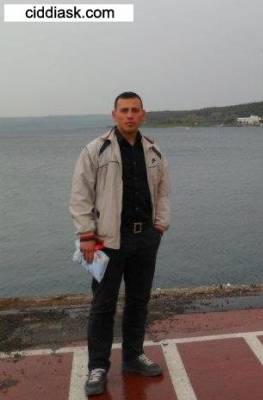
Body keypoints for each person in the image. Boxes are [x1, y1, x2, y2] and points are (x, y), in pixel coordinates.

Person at [69, 91, 170, 396]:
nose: (129, 115)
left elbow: (163, 191)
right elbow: (80, 194)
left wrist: (160, 225)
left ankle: (133, 356)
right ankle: (98, 366)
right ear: (114, 115)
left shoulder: (153, 151)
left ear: (143, 114)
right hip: (108, 240)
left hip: (145, 238)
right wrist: (86, 235)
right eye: (124, 110)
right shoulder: (96, 150)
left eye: (134, 110)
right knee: (103, 305)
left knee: (139, 301)